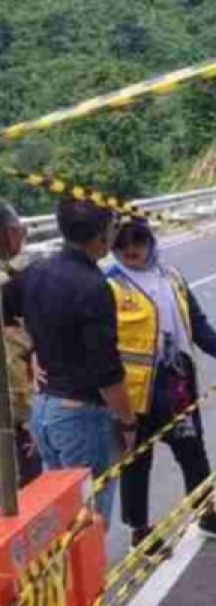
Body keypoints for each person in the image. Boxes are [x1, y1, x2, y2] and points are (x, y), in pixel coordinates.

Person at [107, 217, 216, 553]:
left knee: (192, 450)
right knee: (137, 461)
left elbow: (198, 324)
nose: (131, 249)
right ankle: (140, 532)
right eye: (122, 243)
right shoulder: (111, 286)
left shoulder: (170, 277)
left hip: (176, 383)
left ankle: (207, 513)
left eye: (138, 240)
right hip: (136, 393)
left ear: (150, 240)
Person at [5, 198, 137, 524]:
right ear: (102, 236)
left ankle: (64, 576)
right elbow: (107, 372)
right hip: (81, 417)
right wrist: (129, 423)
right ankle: (85, 577)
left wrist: (32, 352)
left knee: (62, 519)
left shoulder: (35, 272)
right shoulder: (93, 287)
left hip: (45, 411)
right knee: (88, 523)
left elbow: (6, 311)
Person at [0, 201, 41, 485]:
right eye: (18, 231)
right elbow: (11, 362)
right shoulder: (5, 286)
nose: (22, 238)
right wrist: (29, 421)